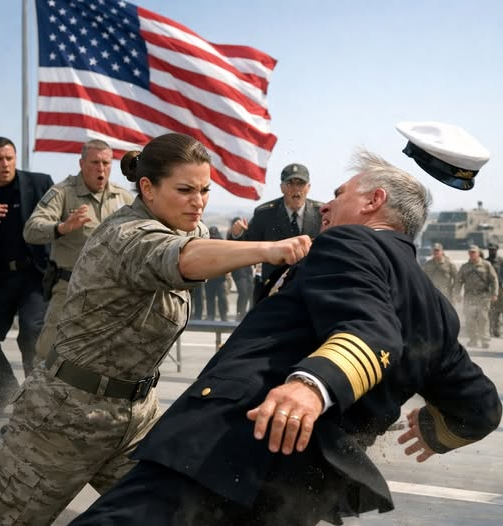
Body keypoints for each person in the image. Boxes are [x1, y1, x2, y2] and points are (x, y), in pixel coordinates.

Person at [70, 149, 502, 526]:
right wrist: (436, 430)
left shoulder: (350, 242)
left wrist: (311, 387)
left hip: (228, 446)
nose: (325, 207)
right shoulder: (436, 307)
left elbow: (373, 333)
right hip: (297, 492)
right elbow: (481, 408)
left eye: (338, 195)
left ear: (374, 202)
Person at [0, 133, 311, 526]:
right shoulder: (126, 234)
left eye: (204, 190)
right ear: (148, 189)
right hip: (65, 418)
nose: (198, 201)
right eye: (185, 190)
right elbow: (180, 257)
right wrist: (268, 249)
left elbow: (194, 244)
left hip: (135, 417)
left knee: (178, 517)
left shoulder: (188, 229)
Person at [23, 139, 134, 361]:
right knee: (49, 353)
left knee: (109, 356)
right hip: (71, 288)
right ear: (81, 163)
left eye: (106, 163)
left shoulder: (123, 198)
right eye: (95, 162)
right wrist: (61, 228)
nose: (101, 169)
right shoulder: (63, 192)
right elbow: (31, 230)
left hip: (112, 291)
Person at [0, 137, 53, 416]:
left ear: (15, 158)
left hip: (34, 275)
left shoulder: (40, 183)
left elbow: (56, 220)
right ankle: (6, 393)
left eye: (9, 158)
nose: (5, 164)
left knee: (32, 333)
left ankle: (34, 401)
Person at [230, 163, 323, 303]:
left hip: (310, 288)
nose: (295, 189)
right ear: (282, 187)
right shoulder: (265, 213)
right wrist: (237, 234)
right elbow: (248, 245)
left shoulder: (321, 213)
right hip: (274, 289)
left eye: (300, 184)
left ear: (308, 187)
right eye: (290, 184)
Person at [455, 244, 498, 348]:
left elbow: (494, 280)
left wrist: (495, 293)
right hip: (469, 296)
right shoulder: (465, 267)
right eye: (470, 252)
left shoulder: (486, 265)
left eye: (474, 252)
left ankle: (484, 340)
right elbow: (459, 281)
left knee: (483, 318)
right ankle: (473, 339)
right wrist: (457, 294)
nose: (472, 254)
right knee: (470, 319)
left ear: (478, 253)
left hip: (483, 296)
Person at [227, 216, 254, 321]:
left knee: (251, 292)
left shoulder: (245, 234)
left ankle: (248, 315)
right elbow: (233, 241)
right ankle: (240, 314)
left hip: (248, 269)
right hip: (238, 270)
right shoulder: (231, 235)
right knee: (243, 292)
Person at [204, 226, 229, 321]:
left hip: (219, 277)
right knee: (211, 297)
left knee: (221, 298)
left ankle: (223, 316)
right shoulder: (206, 245)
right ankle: (211, 316)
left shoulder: (221, 245)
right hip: (210, 277)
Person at [486, 241, 503, 337]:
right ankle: (489, 329)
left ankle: (497, 330)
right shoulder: (486, 261)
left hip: (500, 289)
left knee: (498, 310)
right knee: (489, 310)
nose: (491, 251)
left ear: (497, 250)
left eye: (493, 250)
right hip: (488, 289)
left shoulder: (501, 261)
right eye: (490, 250)